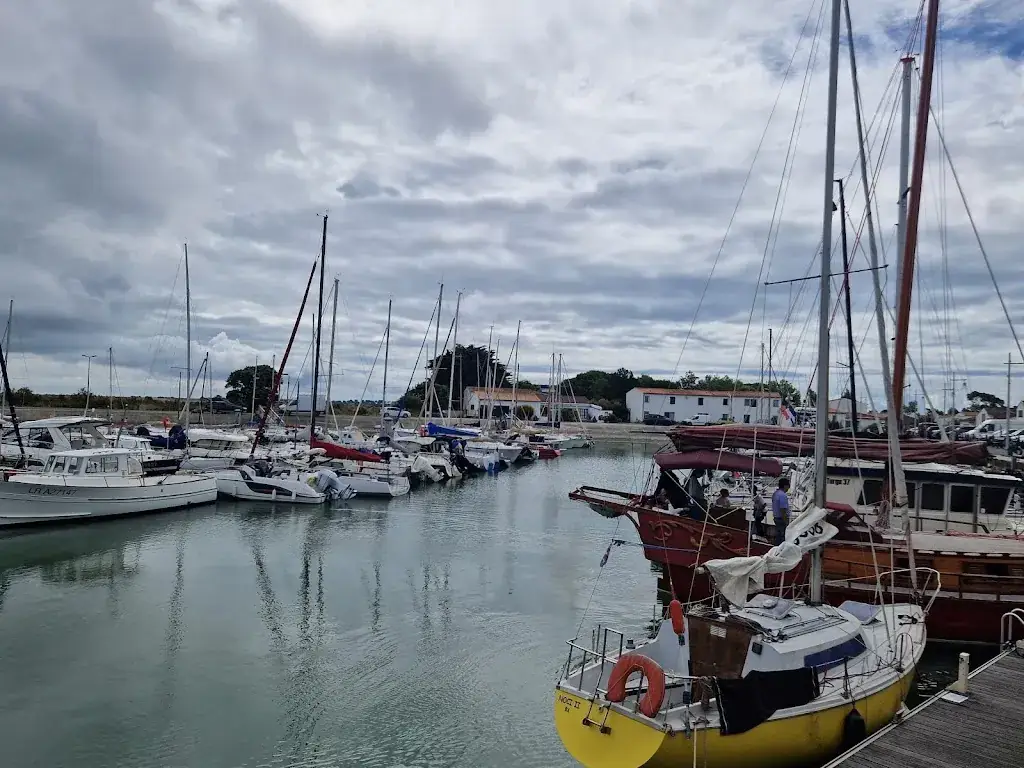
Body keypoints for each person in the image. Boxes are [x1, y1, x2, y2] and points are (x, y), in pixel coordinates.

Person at [772, 477, 791, 546]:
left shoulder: (775, 493)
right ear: (785, 486)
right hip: (781, 519)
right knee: (783, 536)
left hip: (776, 517)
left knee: (778, 535)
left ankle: (776, 547)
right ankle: (780, 550)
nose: (788, 488)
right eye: (788, 486)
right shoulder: (783, 495)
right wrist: (786, 521)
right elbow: (783, 509)